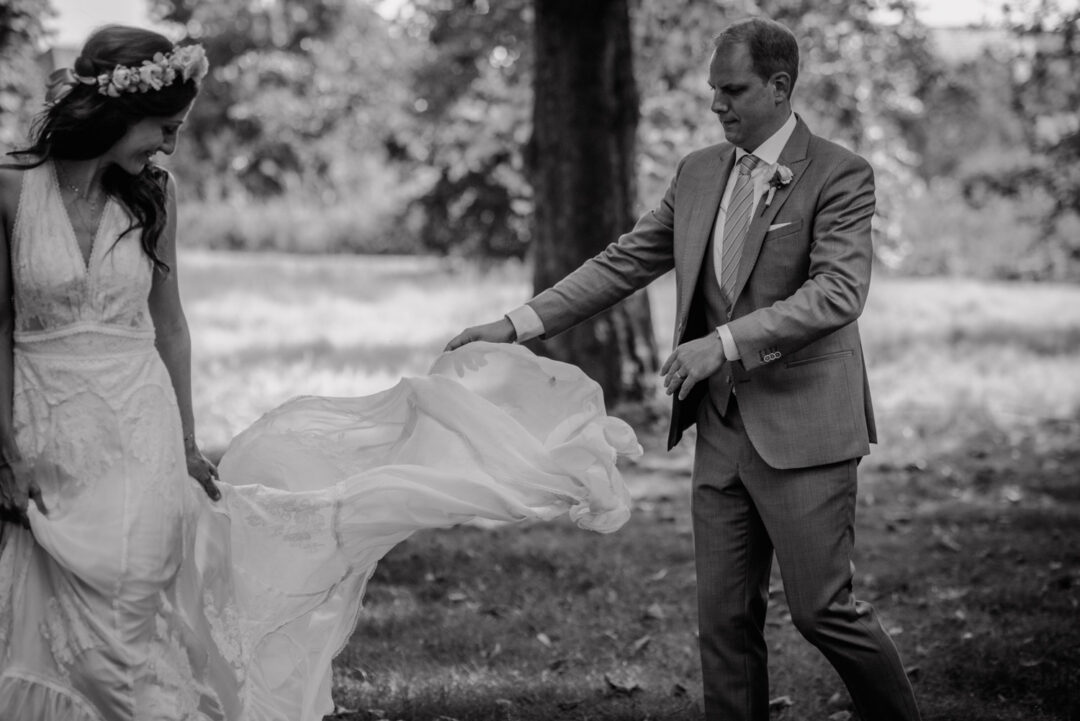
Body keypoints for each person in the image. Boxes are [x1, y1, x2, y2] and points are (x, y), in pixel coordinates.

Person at [0, 25, 639, 721]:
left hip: (139, 422)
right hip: (47, 422)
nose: (169, 146)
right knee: (54, 615)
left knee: (131, 605)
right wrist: (6, 448)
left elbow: (172, 325)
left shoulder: (153, 195)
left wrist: (185, 442)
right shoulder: (11, 192)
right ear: (115, 112)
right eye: (163, 128)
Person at [447, 16, 922, 721]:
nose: (716, 105)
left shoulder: (840, 173)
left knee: (823, 611)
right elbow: (624, 260)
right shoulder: (699, 172)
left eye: (732, 90)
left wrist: (722, 342)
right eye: (712, 91)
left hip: (806, 426)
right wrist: (517, 324)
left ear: (780, 87)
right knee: (723, 623)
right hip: (721, 430)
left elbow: (837, 294)